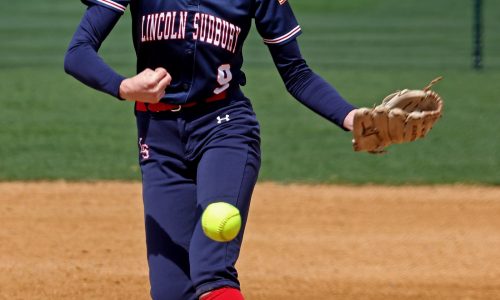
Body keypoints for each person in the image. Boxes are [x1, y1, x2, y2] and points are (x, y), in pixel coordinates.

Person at [64, 0, 357, 299]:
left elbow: (296, 73)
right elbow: (78, 52)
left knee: (211, 269)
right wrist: (124, 86)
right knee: (171, 292)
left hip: (225, 128)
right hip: (158, 138)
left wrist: (353, 118)